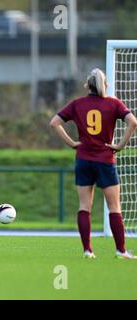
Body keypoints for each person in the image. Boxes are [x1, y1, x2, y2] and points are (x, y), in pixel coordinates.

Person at [50, 68, 137, 259]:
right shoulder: (113, 104)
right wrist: (120, 145)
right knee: (114, 206)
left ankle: (87, 250)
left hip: (83, 159)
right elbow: (133, 122)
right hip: (105, 160)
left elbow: (54, 122)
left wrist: (72, 143)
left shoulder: (77, 104)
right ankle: (121, 250)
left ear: (87, 85)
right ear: (104, 85)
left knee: (84, 206)